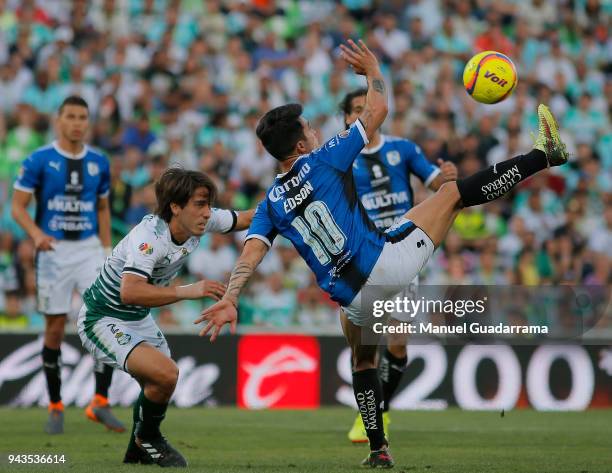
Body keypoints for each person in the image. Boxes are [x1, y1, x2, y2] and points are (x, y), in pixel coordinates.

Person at [196, 39, 568, 468]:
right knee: (451, 195)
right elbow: (377, 112)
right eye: (309, 130)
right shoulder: (325, 160)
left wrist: (231, 296)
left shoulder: (271, 203)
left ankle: (378, 449)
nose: (315, 132)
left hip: (353, 300)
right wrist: (373, 68)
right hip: (387, 267)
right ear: (299, 146)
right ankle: (543, 156)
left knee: (362, 359)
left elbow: (251, 254)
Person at [77, 167, 253, 467]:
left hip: (138, 318)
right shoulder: (149, 238)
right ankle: (149, 438)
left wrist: (290, 199)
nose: (207, 212)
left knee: (160, 383)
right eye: (200, 204)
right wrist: (188, 290)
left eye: (209, 204)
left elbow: (245, 219)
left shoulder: (200, 220)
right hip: (102, 318)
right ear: (175, 206)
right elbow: (129, 292)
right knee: (166, 373)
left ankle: (137, 450)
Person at [339, 88, 458, 443]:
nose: (363, 114)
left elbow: (435, 182)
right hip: (363, 257)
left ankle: (380, 412)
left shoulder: (403, 149)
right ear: (346, 118)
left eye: (368, 107)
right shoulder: (341, 159)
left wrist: (446, 177)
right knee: (365, 344)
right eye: (356, 110)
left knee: (399, 343)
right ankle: (370, 417)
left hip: (402, 252)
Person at [11, 95, 124, 435]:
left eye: (82, 117)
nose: (77, 123)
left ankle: (100, 402)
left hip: (89, 249)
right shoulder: (39, 160)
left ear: (88, 122)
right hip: (54, 252)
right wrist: (35, 234)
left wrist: (106, 250)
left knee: (103, 322)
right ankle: (56, 406)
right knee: (55, 329)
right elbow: (18, 207)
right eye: (71, 116)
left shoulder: (98, 162)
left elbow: (103, 208)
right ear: (59, 120)